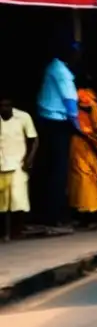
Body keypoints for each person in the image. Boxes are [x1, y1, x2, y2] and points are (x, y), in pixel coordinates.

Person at [35, 44, 81, 228]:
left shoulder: (53, 67)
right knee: (59, 171)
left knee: (50, 168)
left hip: (47, 119)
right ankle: (55, 216)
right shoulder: (61, 72)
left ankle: (50, 214)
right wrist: (78, 127)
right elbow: (70, 102)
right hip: (56, 122)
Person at [67, 78, 97, 226]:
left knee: (83, 176)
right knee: (85, 175)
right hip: (84, 141)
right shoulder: (86, 96)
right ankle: (88, 213)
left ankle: (87, 213)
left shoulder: (83, 96)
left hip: (84, 141)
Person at [0, 95, 38, 240]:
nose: (4, 108)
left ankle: (17, 231)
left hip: (18, 164)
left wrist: (29, 159)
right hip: (1, 164)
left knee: (18, 200)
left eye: (7, 105)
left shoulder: (23, 117)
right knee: (2, 203)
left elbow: (34, 139)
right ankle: (5, 233)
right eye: (1, 106)